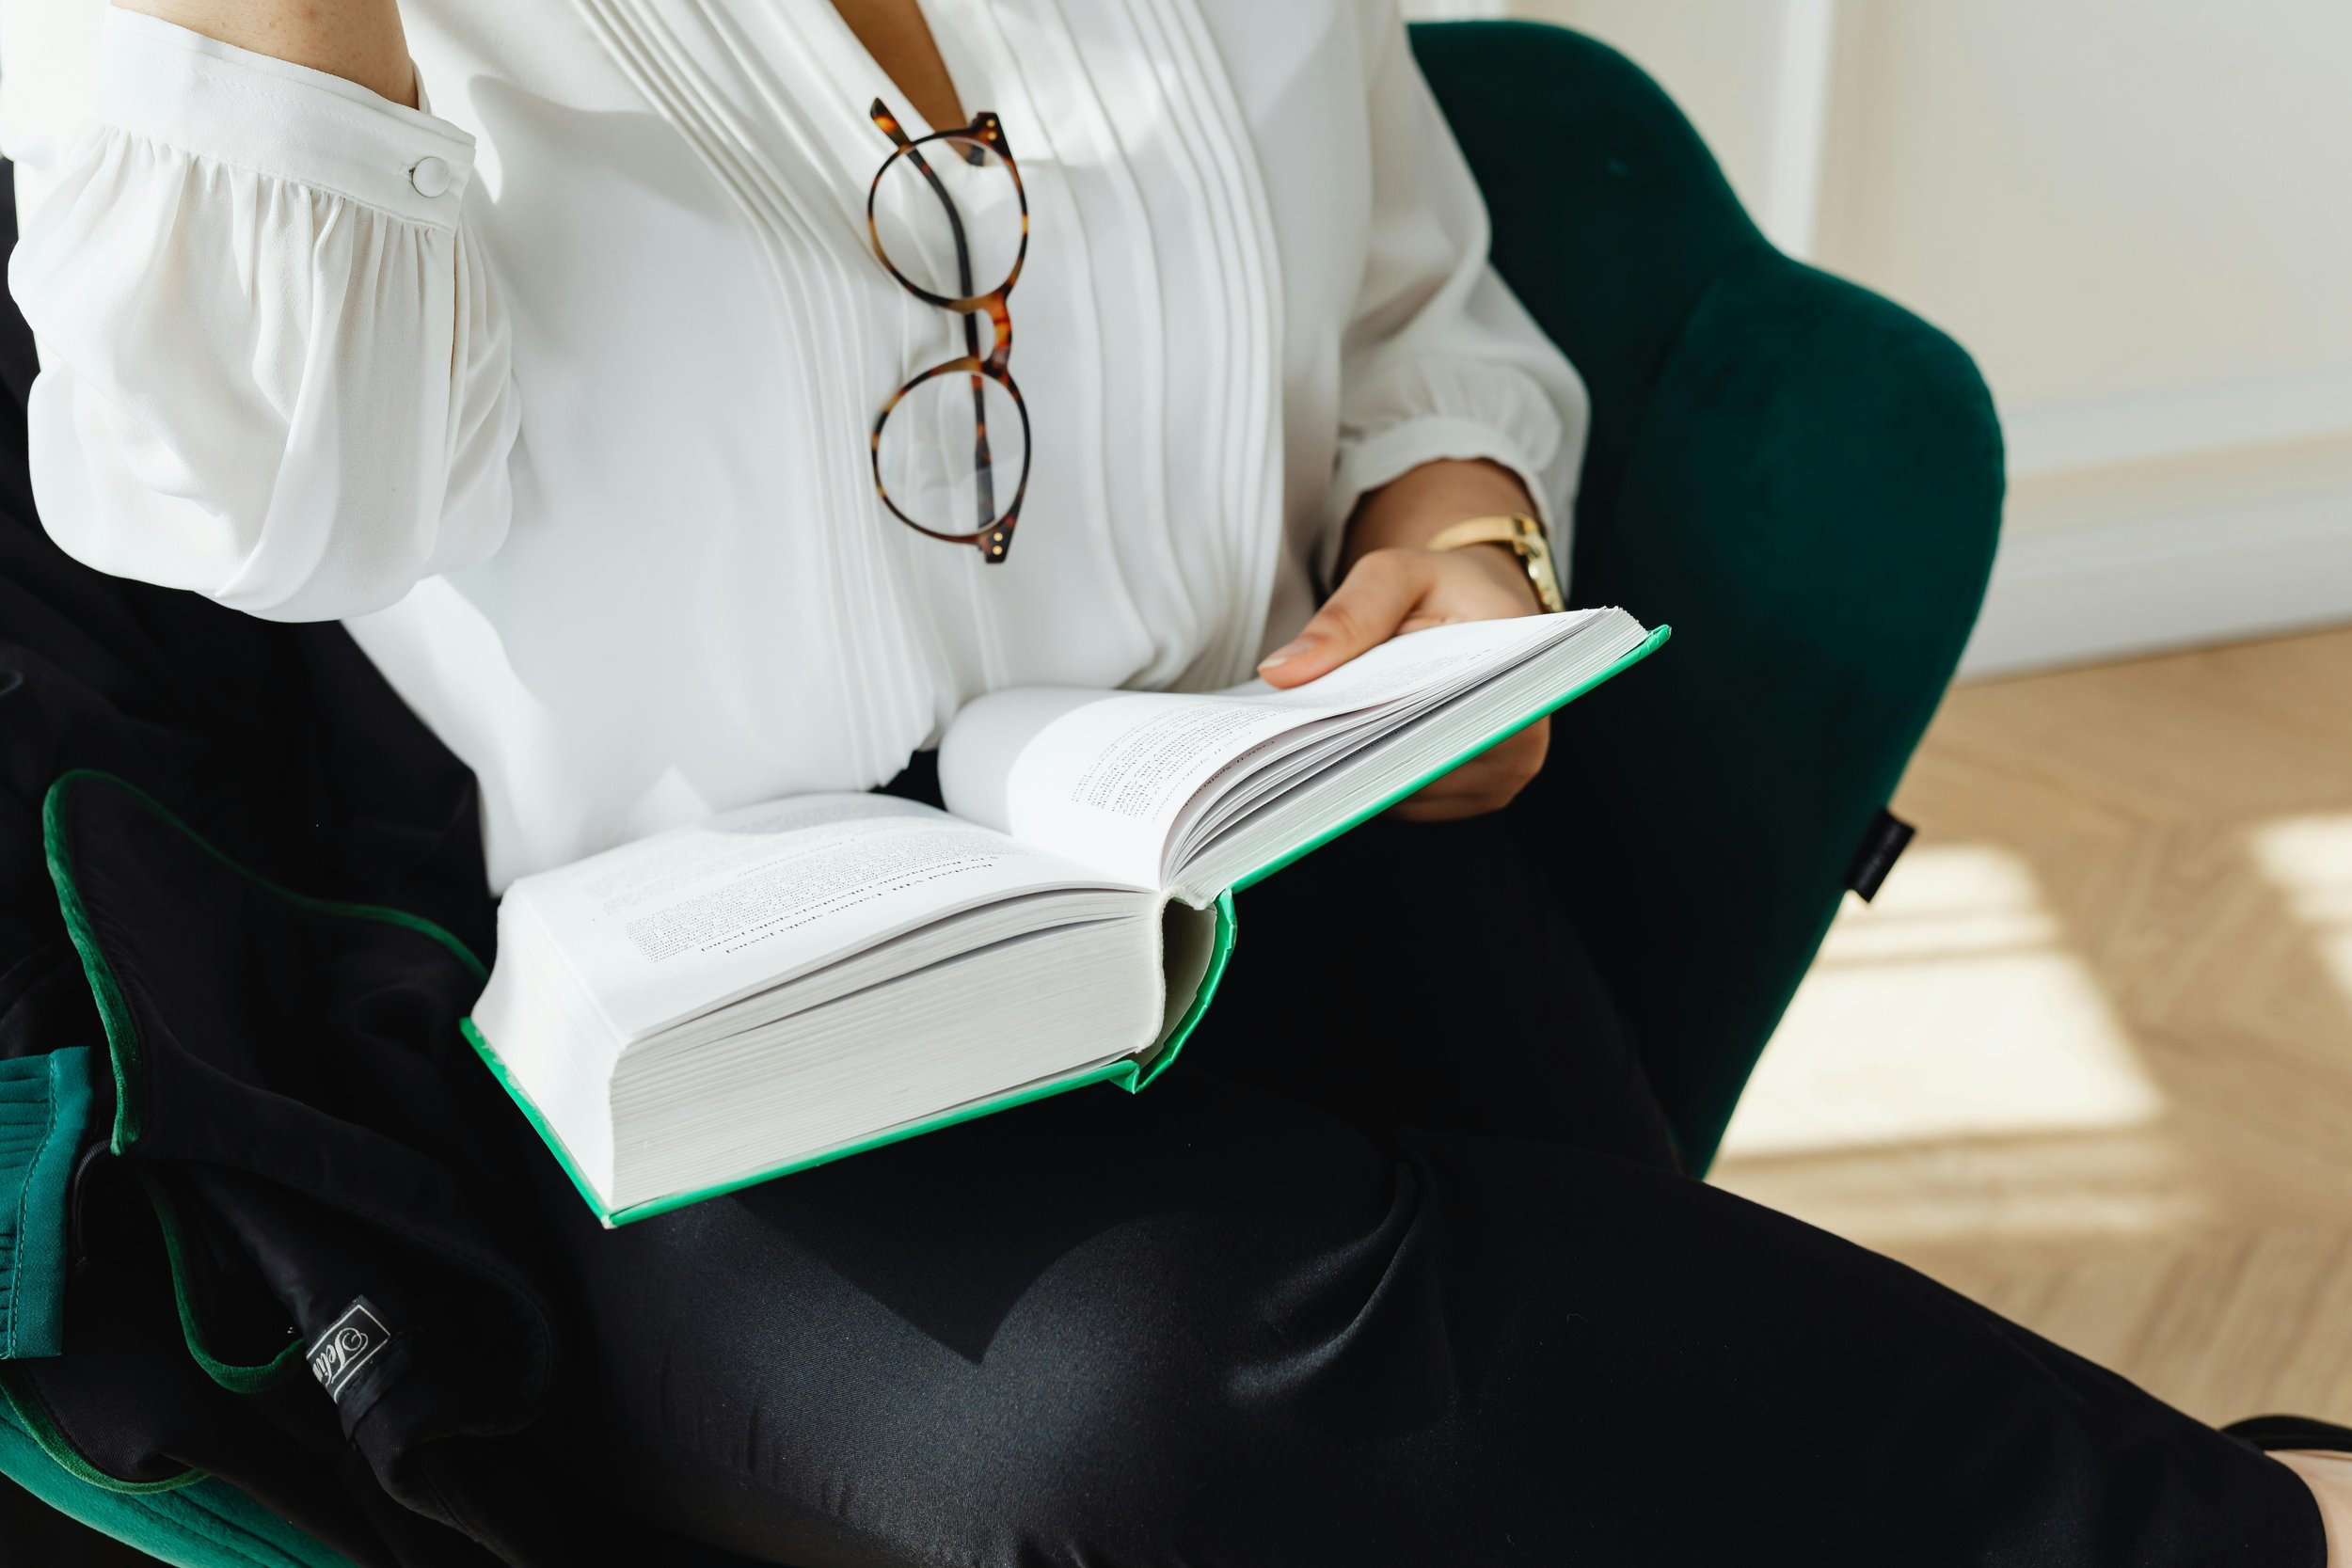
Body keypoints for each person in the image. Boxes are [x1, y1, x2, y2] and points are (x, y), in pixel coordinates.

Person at [3, 1, 2346, 1561]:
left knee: (1525, 1405)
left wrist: (1454, 526)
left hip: (1265, 848)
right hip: (709, 1059)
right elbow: (268, 504)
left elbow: (1406, 293)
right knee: (1141, 1425)